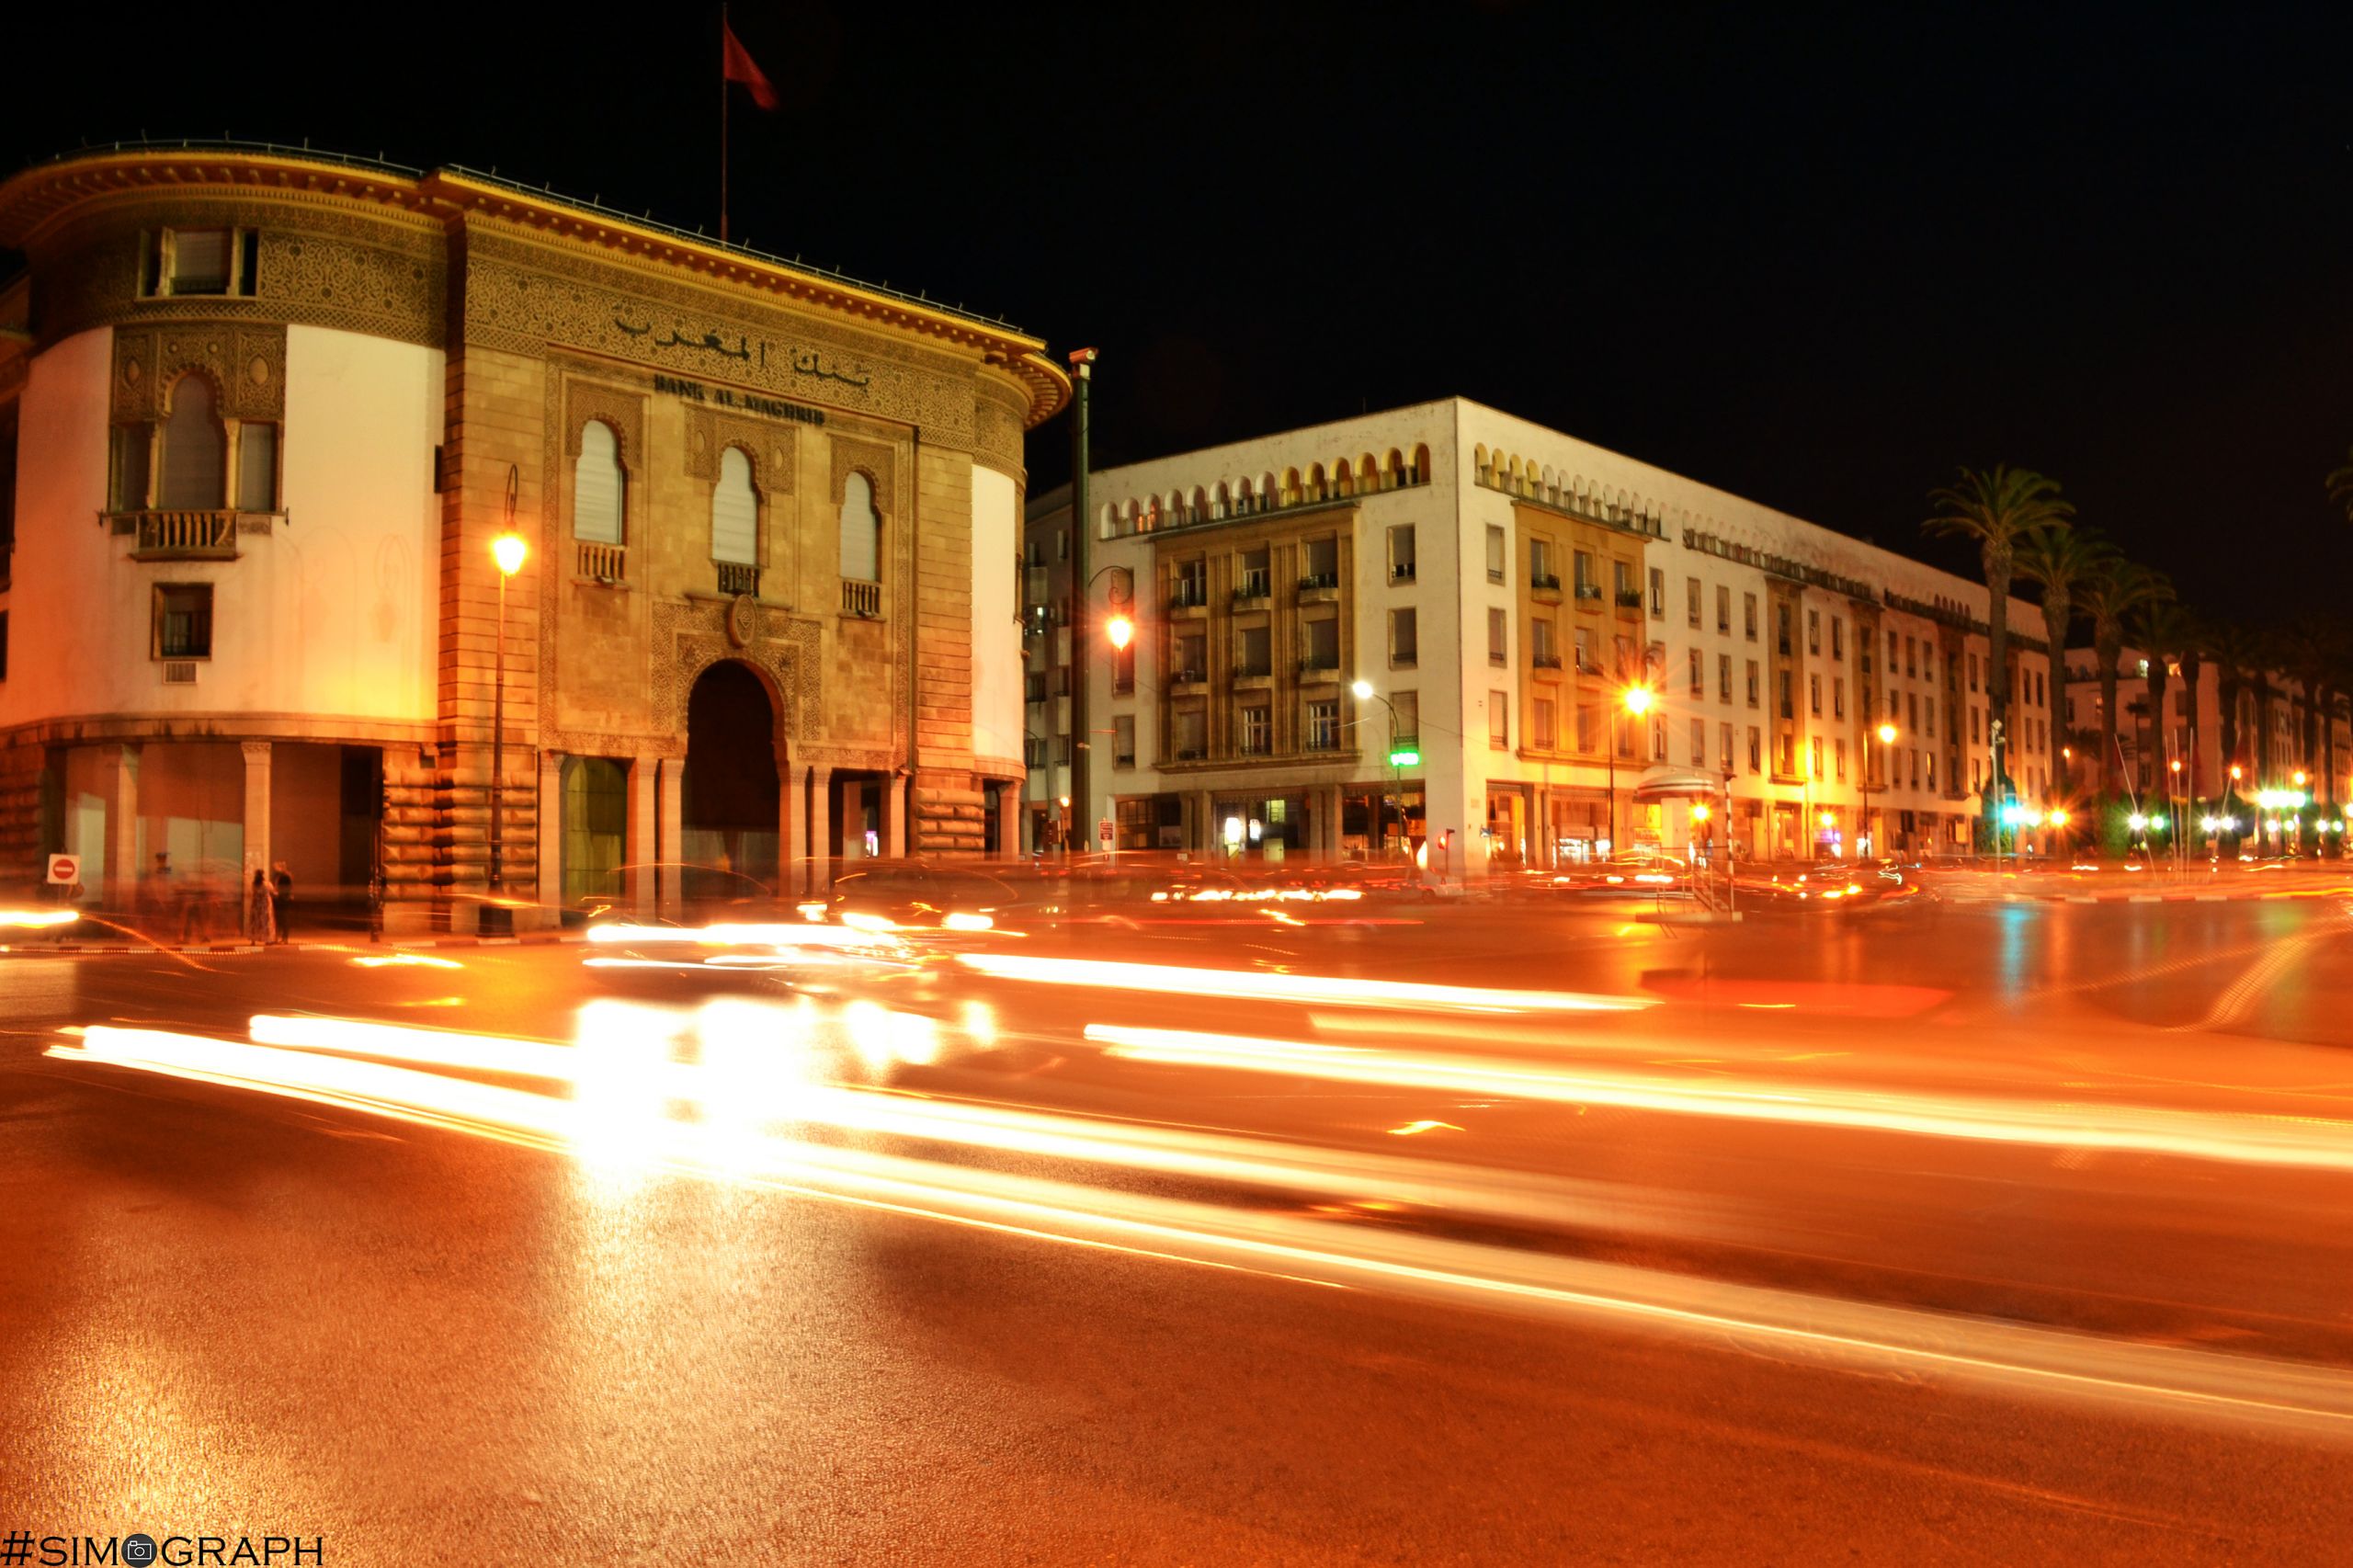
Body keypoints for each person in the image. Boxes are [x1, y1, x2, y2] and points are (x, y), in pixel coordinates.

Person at [247, 869, 275, 946]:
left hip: (256, 904)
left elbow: (252, 892)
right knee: (266, 922)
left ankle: (253, 940)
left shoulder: (254, 884)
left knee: (255, 922)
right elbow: (272, 891)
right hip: (265, 905)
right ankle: (267, 939)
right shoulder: (267, 884)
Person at [270, 861, 294, 945]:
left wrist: (278, 893)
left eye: (277, 867)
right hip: (281, 899)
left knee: (284, 919)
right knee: (281, 919)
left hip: (283, 900)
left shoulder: (285, 876)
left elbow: (287, 888)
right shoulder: (280, 876)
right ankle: (281, 937)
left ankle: (284, 938)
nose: (275, 869)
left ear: (282, 868)